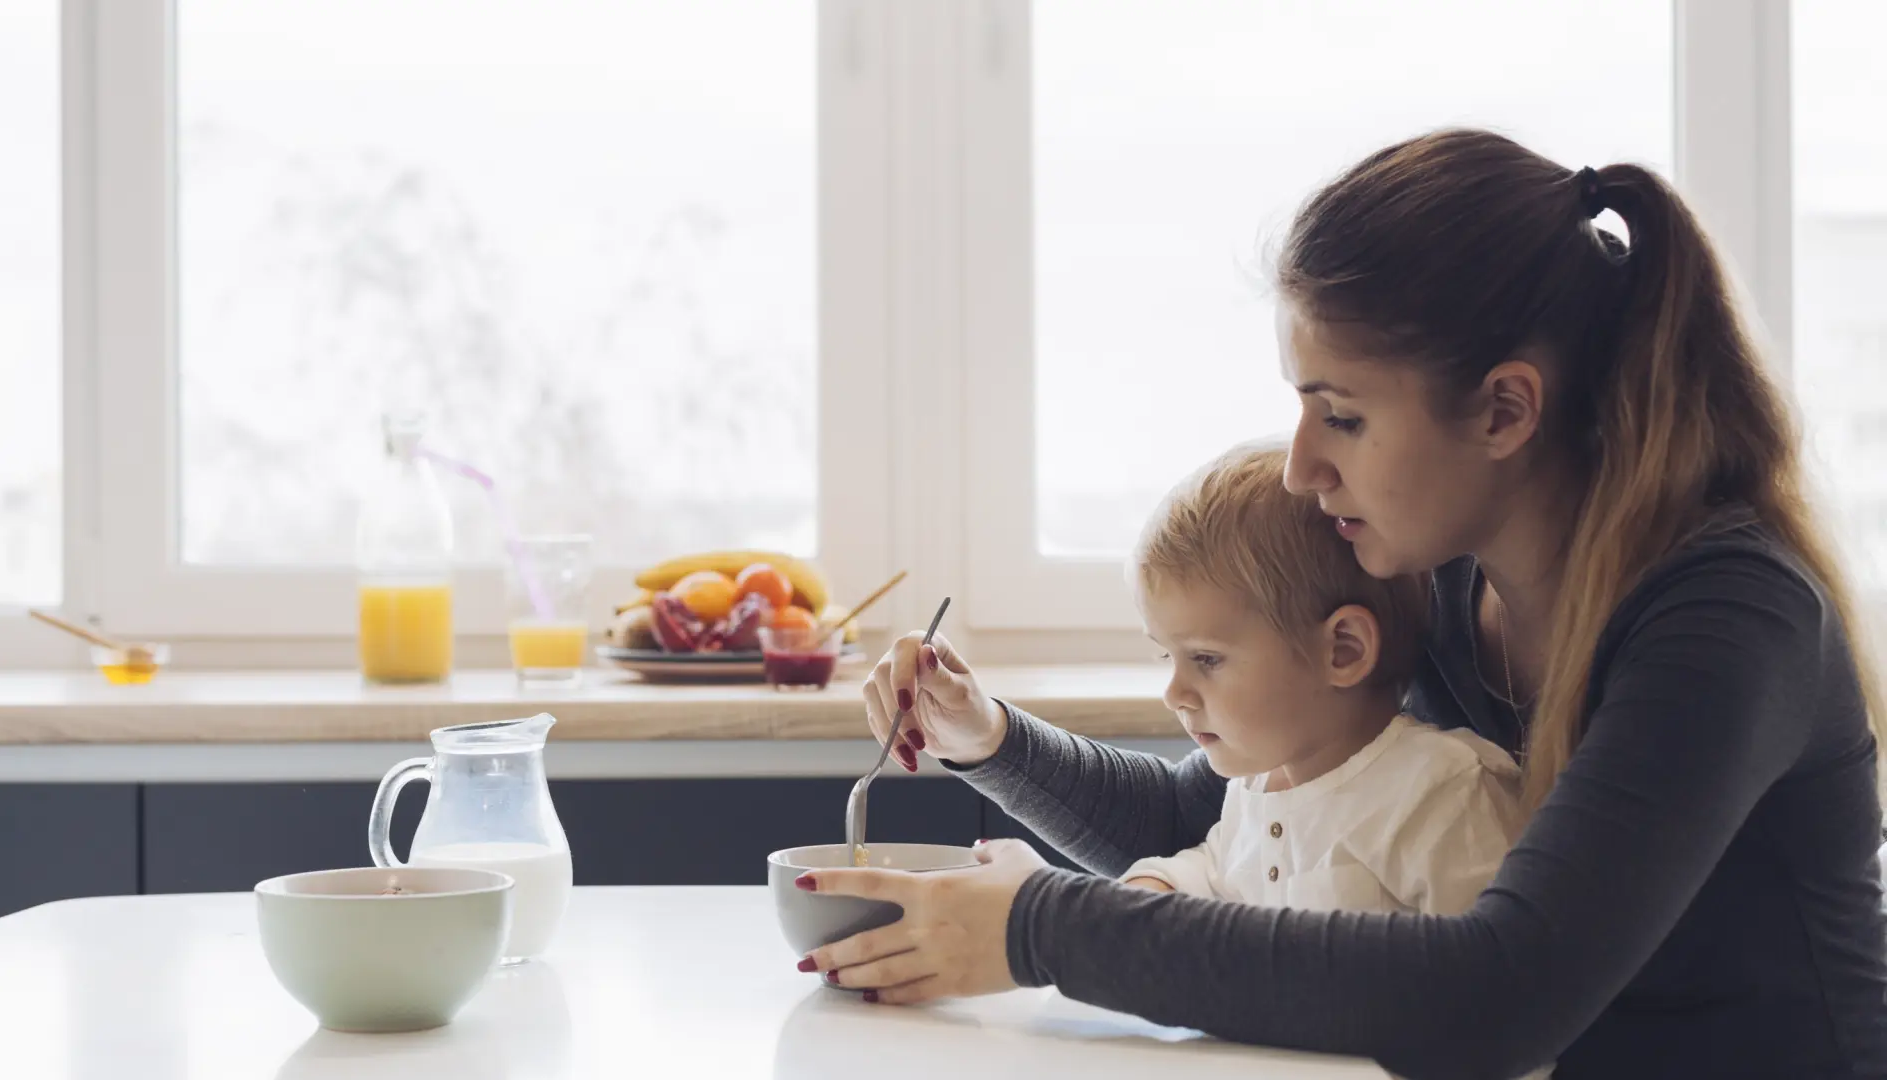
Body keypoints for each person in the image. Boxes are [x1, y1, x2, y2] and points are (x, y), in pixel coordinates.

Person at [793, 129, 1887, 1079]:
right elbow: (1216, 819)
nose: (1301, 467)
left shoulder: (1727, 621)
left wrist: (1039, 929)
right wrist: (989, 743)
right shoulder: (1449, 587)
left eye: (1343, 417)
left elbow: (1501, 994)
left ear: (1505, 409)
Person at [1108, 444, 1526, 922]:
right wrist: (1159, 883)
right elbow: (1220, 871)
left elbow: (1496, 971)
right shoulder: (1256, 787)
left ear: (1343, 650)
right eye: (1168, 656)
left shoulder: (1445, 795)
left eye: (1206, 658)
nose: (1174, 694)